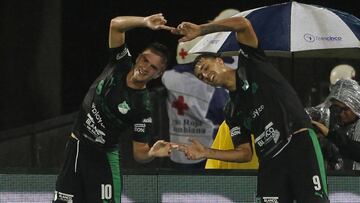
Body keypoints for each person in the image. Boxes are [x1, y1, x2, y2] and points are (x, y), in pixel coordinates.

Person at [171, 16, 329, 202]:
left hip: (297, 143)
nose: (205, 75)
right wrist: (206, 152)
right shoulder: (231, 111)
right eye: (201, 76)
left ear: (220, 61)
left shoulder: (252, 64)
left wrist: (201, 30)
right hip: (270, 161)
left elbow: (243, 24)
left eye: (205, 67)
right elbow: (245, 153)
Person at [53, 14, 174, 203]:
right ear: (138, 58)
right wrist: (144, 22)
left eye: (152, 67)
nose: (145, 68)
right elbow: (116, 25)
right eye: (144, 60)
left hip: (102, 160)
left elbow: (139, 152)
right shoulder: (120, 62)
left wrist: (150, 153)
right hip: (75, 148)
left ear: (158, 74)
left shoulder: (142, 106)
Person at [161, 9, 239, 169]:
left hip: (180, 151)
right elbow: (223, 111)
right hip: (206, 151)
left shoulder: (168, 77)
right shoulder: (211, 80)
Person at [312, 79, 360, 170]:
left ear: (356, 106)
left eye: (345, 109)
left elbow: (356, 150)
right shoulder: (337, 125)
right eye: (337, 109)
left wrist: (330, 134)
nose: (341, 114)